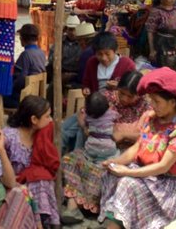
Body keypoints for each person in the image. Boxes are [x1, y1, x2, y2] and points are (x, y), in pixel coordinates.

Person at [99, 67, 176, 229]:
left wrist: (127, 171)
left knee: (127, 183)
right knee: (111, 174)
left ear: (172, 102)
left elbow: (163, 167)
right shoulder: (152, 119)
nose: (152, 105)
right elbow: (137, 147)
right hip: (147, 172)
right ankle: (116, 221)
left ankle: (116, 225)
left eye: (157, 102)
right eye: (151, 100)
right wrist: (115, 161)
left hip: (168, 181)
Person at [61, 71, 148, 223]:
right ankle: (73, 206)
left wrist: (125, 135)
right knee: (70, 160)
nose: (125, 99)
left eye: (130, 96)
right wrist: (86, 127)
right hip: (93, 149)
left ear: (139, 95)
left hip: (122, 153)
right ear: (117, 89)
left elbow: (148, 135)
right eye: (122, 93)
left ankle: (98, 208)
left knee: (106, 171)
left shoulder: (145, 108)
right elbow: (83, 113)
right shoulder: (106, 97)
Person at [3, 96, 61, 228]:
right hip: (12, 185)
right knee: (39, 180)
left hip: (32, 183)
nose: (50, 120)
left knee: (40, 178)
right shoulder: (10, 137)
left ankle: (44, 220)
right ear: (34, 119)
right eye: (47, 116)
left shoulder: (41, 134)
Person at [6, 24, 47, 108]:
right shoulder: (41, 53)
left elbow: (21, 80)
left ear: (22, 39)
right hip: (35, 94)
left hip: (23, 98)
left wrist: (9, 86)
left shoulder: (25, 55)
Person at [146, 0, 176, 67]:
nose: (172, 0)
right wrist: (152, 50)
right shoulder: (156, 11)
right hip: (162, 43)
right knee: (165, 66)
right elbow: (150, 31)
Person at [83, 92, 119, 161]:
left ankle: (92, 159)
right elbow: (116, 120)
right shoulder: (111, 114)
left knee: (88, 153)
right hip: (109, 148)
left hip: (91, 147)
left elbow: (85, 126)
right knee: (117, 153)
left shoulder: (88, 117)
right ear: (107, 106)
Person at [74, 22, 97, 87]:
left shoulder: (86, 53)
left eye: (79, 41)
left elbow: (81, 77)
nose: (78, 43)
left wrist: (70, 77)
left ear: (83, 40)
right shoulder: (97, 48)